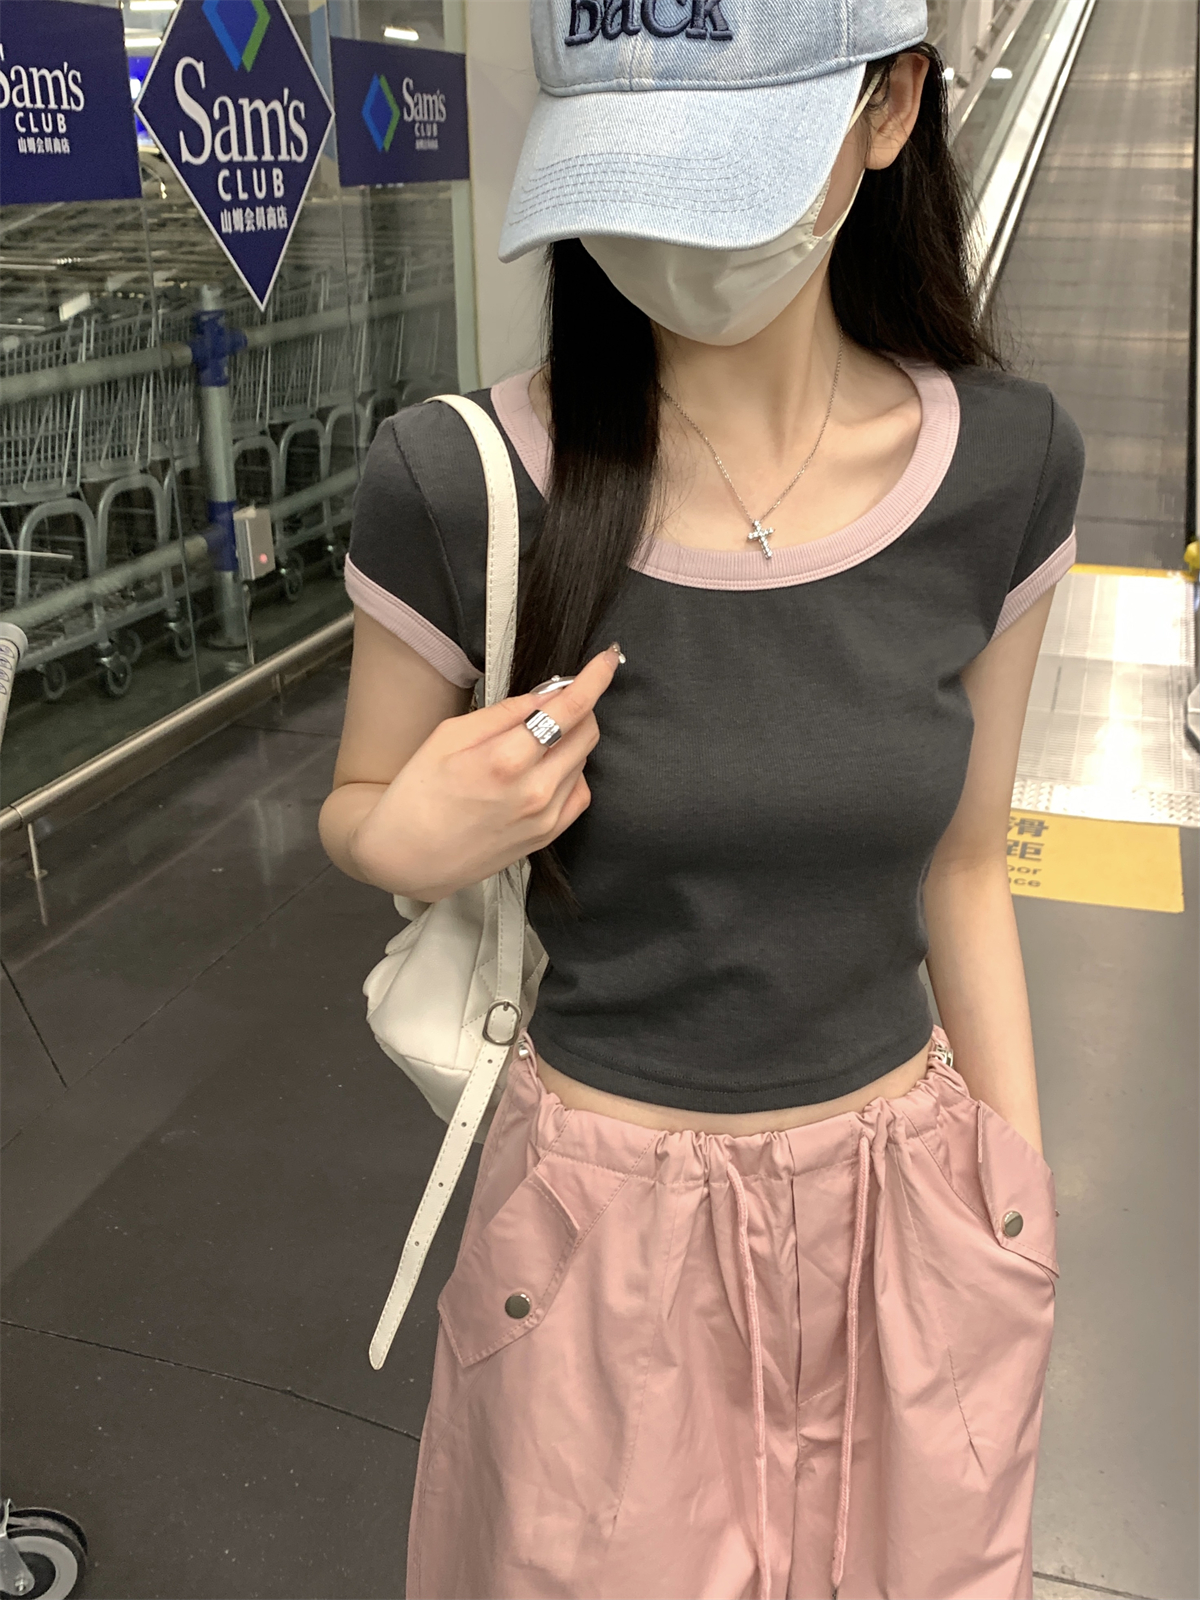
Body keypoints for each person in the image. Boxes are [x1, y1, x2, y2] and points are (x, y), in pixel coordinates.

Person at [319, 0, 1084, 1594]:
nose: (673, 238)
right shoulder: (458, 481)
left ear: (891, 110)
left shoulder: (1005, 466)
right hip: (599, 1234)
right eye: (629, 174)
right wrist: (414, 833)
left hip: (906, 1217)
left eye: (728, 169)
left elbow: (966, 867)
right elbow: (362, 807)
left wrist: (1015, 1200)